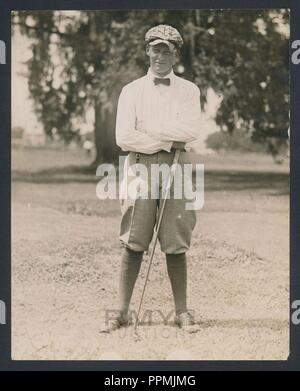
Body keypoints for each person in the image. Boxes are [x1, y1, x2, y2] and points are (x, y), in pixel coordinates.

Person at [100, 24, 202, 333]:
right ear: (147, 51)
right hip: (140, 168)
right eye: (155, 49)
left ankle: (182, 312)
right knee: (134, 239)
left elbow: (191, 131)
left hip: (178, 168)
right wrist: (164, 139)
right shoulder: (131, 90)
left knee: (176, 239)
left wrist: (152, 132)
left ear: (175, 55)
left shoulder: (189, 90)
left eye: (166, 50)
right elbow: (123, 138)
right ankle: (121, 312)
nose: (160, 55)